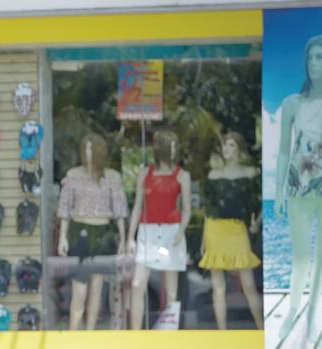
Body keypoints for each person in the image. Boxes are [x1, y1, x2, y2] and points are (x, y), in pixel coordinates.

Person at [273, 34, 322, 349]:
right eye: (310, 58)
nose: (314, 63)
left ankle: (313, 314)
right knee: (301, 258)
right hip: (298, 184)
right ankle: (292, 309)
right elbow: (282, 150)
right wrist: (278, 192)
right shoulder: (292, 103)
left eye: (320, 57)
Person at [56, 133, 128, 330]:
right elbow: (65, 208)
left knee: (97, 289)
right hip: (80, 232)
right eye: (85, 149)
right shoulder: (73, 175)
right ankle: (74, 333)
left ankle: (90, 334)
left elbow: (119, 210)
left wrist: (123, 238)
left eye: (92, 149)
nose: (88, 154)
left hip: (103, 233)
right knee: (79, 291)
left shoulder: (112, 177)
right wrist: (62, 237)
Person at [127, 131, 191, 330]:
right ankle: (136, 334)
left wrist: (181, 231)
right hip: (148, 232)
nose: (172, 150)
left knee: (171, 290)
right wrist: (130, 237)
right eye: (168, 146)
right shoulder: (145, 173)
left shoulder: (182, 175)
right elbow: (138, 206)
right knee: (137, 284)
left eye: (174, 146)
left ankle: (168, 334)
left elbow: (187, 209)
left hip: (172, 231)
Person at [199, 132, 263, 329]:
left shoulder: (251, 172)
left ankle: (262, 330)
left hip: (237, 230)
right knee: (218, 287)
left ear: (240, 150)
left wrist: (257, 222)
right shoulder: (213, 175)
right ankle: (222, 334)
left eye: (231, 145)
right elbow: (208, 210)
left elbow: (264, 201)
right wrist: (203, 240)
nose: (226, 149)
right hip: (215, 230)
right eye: (225, 145)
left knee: (249, 285)